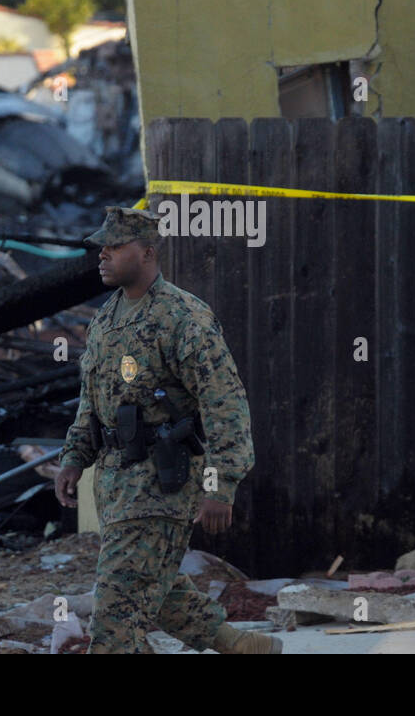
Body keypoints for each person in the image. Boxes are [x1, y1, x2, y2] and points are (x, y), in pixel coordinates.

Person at [55, 205, 279, 654]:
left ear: (148, 253)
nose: (103, 255)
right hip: (118, 487)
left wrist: (222, 484)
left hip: (163, 482)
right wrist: (75, 457)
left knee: (117, 614)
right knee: (156, 588)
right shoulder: (106, 319)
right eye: (102, 247)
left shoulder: (182, 317)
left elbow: (225, 401)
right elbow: (92, 400)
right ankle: (238, 645)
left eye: (115, 247)